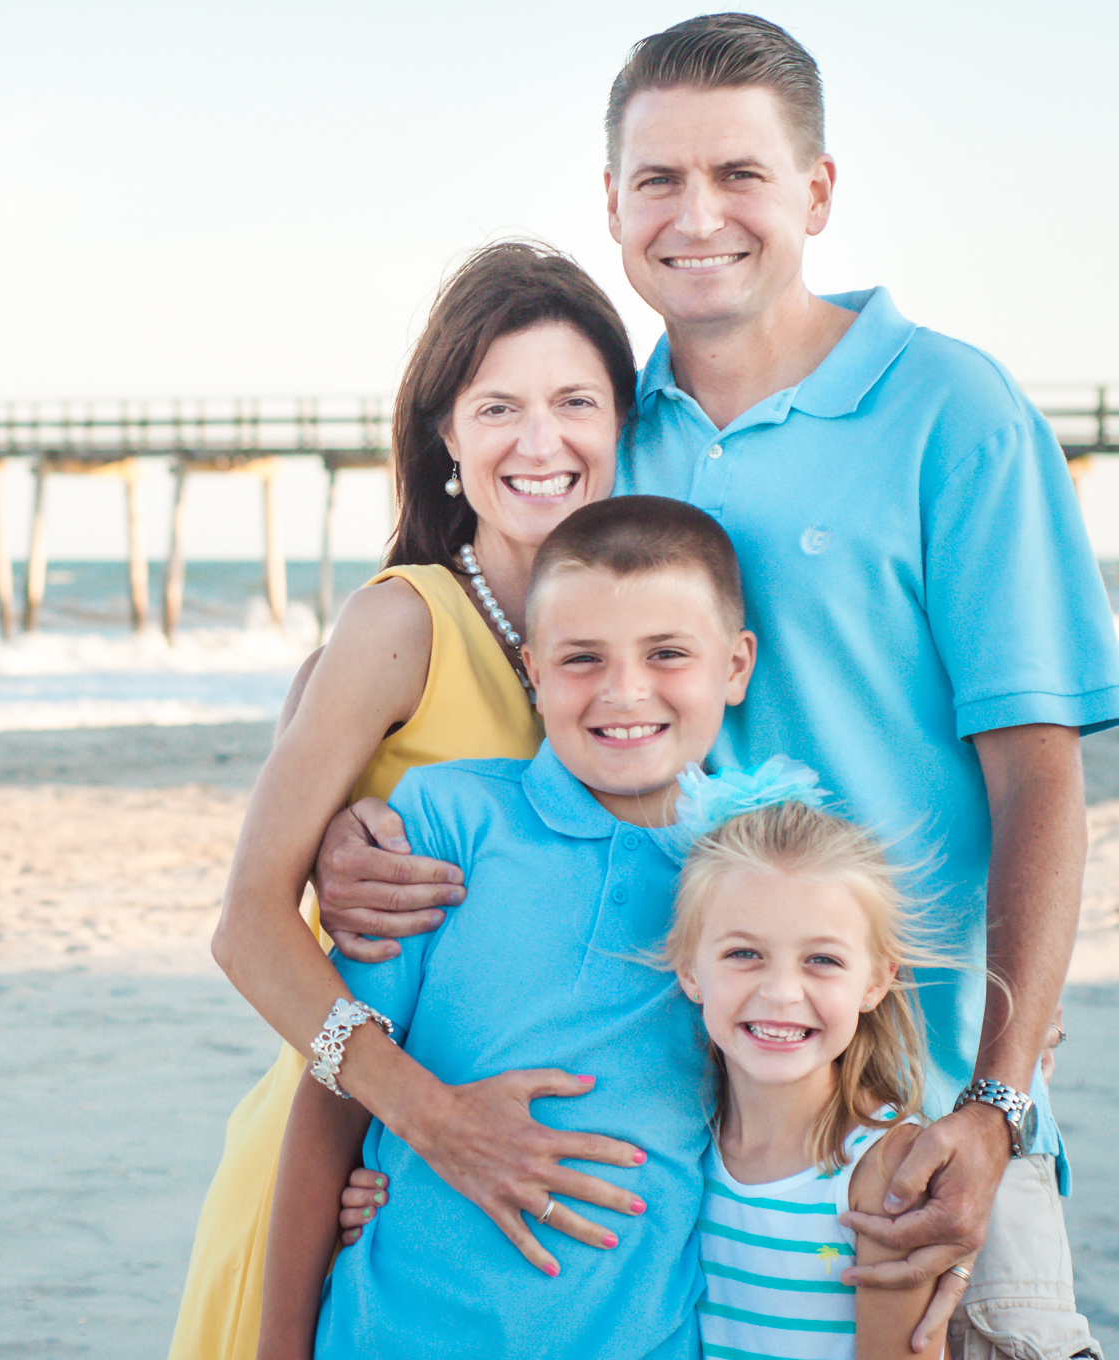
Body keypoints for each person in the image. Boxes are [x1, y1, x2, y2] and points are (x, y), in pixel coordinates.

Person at [314, 16, 1119, 1354]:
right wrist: (361, 817)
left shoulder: (954, 410)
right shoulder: (605, 439)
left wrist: (999, 1109)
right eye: (659, 181)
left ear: (816, 192)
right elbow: (490, 648)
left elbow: (1040, 778)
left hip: (918, 1106)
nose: (699, 216)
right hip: (686, 1120)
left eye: (739, 174)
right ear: (615, 208)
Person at [167, 240, 638, 1360]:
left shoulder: (634, 654)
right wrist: (427, 1122)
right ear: (443, 434)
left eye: (574, 400)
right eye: (496, 407)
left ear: (622, 419)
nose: (539, 442)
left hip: (515, 1220)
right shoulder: (401, 624)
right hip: (331, 1180)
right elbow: (246, 926)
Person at [257, 494, 756, 1359]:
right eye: (581, 659)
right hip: (391, 1334)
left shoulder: (757, 862)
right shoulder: (450, 821)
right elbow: (332, 1088)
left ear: (736, 666)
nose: (623, 692)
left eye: (668, 654)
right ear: (531, 668)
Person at [665, 778, 950, 1359]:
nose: (781, 993)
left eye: (821, 960)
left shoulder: (884, 1167)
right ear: (689, 969)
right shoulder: (684, 1138)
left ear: (875, 980)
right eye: (744, 954)